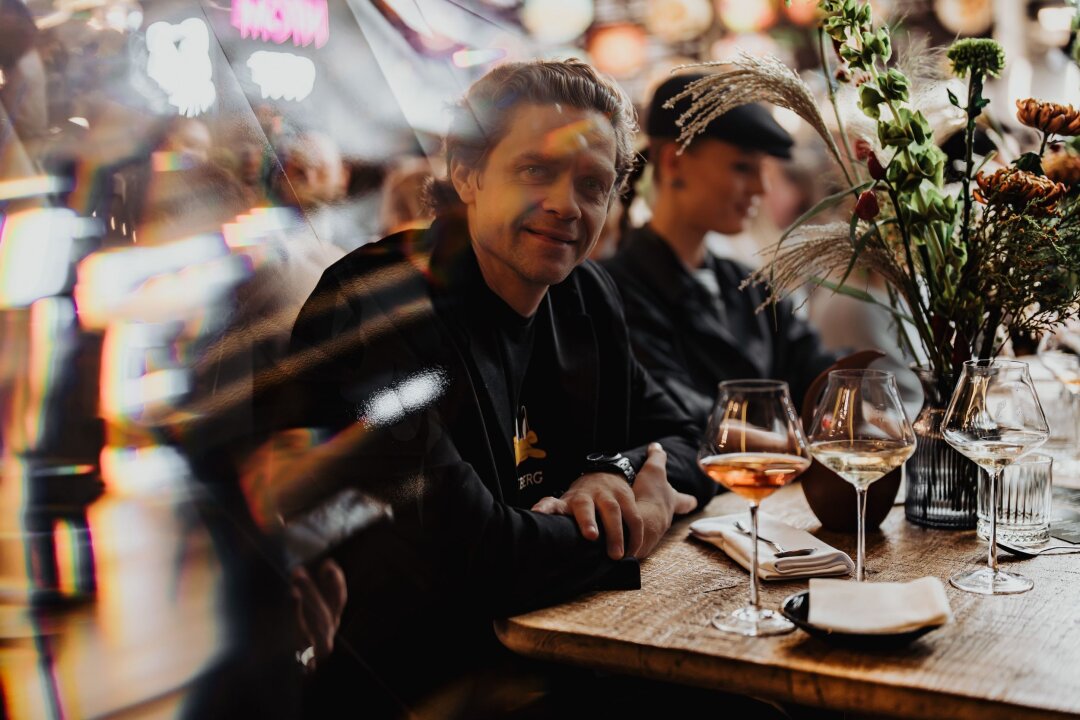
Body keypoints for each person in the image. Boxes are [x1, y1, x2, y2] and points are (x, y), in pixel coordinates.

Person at [264, 59, 717, 717]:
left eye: (592, 184)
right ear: (467, 173)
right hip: (408, 685)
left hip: (556, 656)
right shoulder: (374, 307)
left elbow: (690, 435)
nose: (566, 204)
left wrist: (611, 473)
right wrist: (641, 519)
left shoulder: (585, 297)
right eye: (535, 170)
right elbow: (481, 558)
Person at [602, 73, 837, 426]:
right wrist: (786, 444)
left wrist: (858, 403)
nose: (761, 187)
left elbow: (817, 373)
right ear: (674, 162)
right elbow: (673, 415)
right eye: (743, 167)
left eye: (763, 169)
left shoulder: (750, 286)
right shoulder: (612, 292)